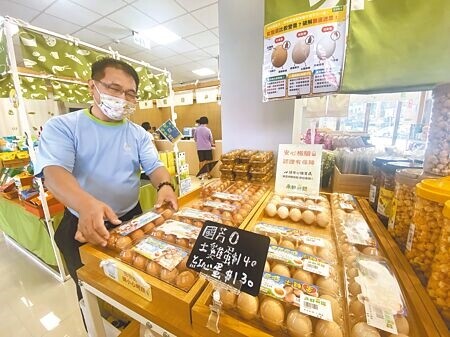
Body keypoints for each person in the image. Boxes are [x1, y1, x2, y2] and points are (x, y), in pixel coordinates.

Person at [35, 58, 178, 302]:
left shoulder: (138, 134)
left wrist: (164, 185)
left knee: (139, 284)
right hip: (83, 224)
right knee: (94, 294)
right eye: (114, 89)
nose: (123, 98)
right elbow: (54, 172)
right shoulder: (63, 126)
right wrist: (85, 204)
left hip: (133, 218)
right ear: (93, 86)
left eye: (130, 94)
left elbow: (154, 166)